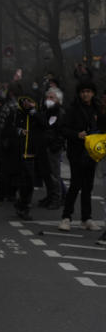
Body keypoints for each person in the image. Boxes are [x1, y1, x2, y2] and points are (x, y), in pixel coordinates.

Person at [59, 81, 105, 232]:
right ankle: (66, 217)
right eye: (83, 91)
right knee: (75, 184)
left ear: (93, 93)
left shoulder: (97, 108)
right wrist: (77, 134)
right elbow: (63, 129)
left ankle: (86, 218)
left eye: (89, 91)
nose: (86, 94)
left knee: (88, 186)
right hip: (77, 151)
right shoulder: (73, 109)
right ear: (79, 93)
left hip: (92, 152)